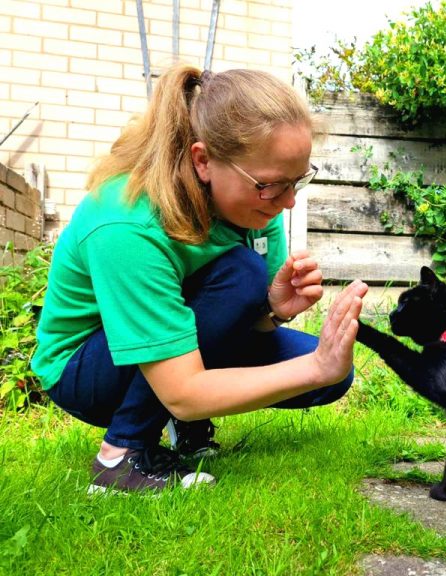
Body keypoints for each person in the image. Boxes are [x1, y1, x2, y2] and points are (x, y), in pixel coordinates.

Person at [31, 64, 369, 493]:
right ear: (203, 161)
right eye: (271, 185)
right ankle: (120, 456)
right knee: (245, 279)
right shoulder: (126, 223)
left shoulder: (254, 206)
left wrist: (272, 312)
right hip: (85, 369)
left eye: (296, 182)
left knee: (335, 375)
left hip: (171, 343)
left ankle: (184, 431)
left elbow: (227, 323)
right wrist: (316, 367)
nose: (287, 203)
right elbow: (184, 391)